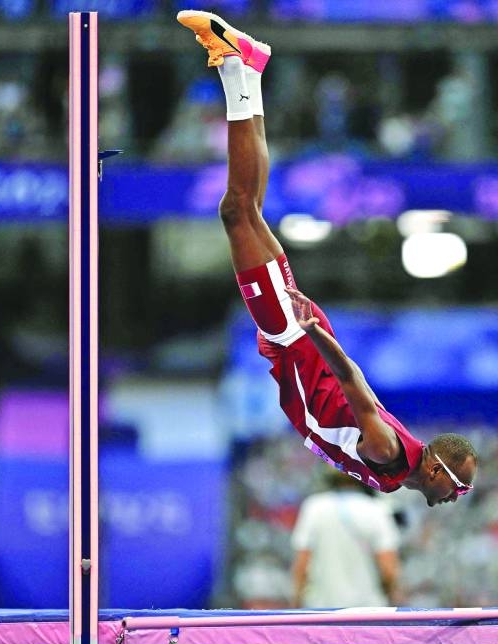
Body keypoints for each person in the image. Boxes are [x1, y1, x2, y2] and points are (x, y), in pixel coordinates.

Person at [177, 10, 478, 506]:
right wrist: (313, 333)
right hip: (299, 339)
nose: (457, 495)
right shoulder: (387, 453)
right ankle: (236, 69)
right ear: (436, 468)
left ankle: (247, 69)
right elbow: (352, 383)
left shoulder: (393, 473)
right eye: (458, 484)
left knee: (247, 212)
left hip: (299, 346)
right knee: (236, 212)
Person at [291, 473, 401, 608]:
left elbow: (302, 564)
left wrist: (296, 600)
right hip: (368, 611)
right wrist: (391, 597)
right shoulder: (377, 510)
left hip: (322, 610)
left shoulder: (314, 507)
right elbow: (388, 570)